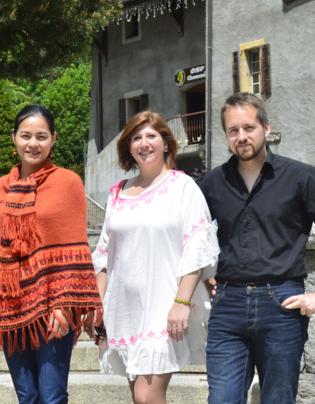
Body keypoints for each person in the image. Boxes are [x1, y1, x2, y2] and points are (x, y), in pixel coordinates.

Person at [199, 93, 315, 404]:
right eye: (233, 130)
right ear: (226, 136)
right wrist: (207, 279)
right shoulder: (212, 183)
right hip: (227, 306)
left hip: (282, 302)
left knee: (278, 400)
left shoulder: (299, 176)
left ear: (266, 128)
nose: (242, 137)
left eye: (249, 127)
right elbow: (193, 239)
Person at [0, 105, 103, 404]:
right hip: (11, 305)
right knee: (27, 395)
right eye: (26, 135)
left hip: (53, 305)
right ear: (14, 138)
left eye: (41, 136)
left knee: (52, 395)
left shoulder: (68, 182)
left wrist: (64, 305)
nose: (33, 143)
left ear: (53, 139)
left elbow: (75, 248)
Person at [92, 110, 220, 404]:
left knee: (147, 396)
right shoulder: (118, 193)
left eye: (151, 136)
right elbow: (104, 255)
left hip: (163, 310)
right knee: (138, 398)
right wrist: (97, 306)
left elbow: (198, 248)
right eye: (136, 137)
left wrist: (182, 303)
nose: (144, 143)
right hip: (123, 312)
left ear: (166, 143)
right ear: (128, 147)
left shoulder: (182, 188)